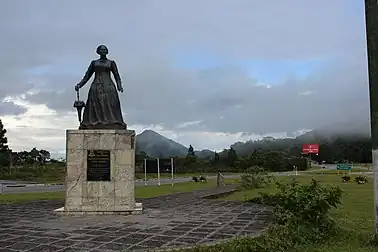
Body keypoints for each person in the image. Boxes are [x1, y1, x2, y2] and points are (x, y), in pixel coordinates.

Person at [75, 45, 126, 130]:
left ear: (107, 51)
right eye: (101, 49)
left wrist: (119, 86)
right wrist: (80, 84)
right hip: (96, 86)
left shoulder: (111, 63)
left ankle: (112, 121)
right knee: (96, 104)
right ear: (98, 51)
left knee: (110, 104)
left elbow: (117, 75)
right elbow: (87, 76)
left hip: (108, 86)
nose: (103, 51)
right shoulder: (94, 63)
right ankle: (95, 121)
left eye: (105, 49)